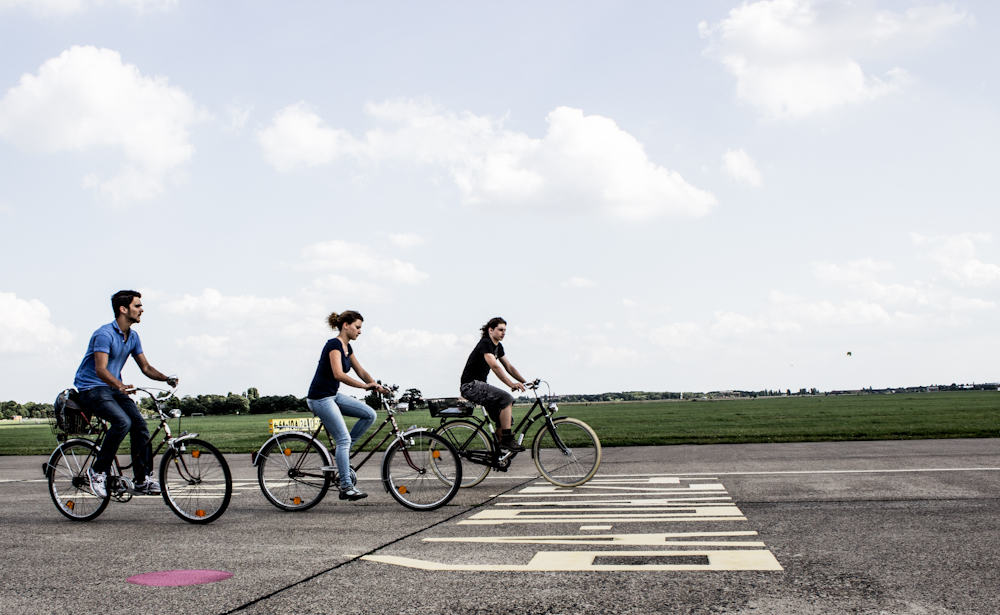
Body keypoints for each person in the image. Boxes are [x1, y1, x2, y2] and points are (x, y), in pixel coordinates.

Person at [75, 290, 178, 498]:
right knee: (122, 422)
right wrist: (120, 385)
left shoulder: (133, 336)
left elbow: (146, 367)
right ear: (123, 309)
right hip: (91, 388)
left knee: (139, 425)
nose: (142, 309)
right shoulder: (104, 334)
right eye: (137, 305)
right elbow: (100, 370)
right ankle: (97, 472)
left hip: (112, 388)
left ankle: (141, 480)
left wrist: (165, 378)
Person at [306, 310, 385, 501]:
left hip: (332, 395)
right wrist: (365, 387)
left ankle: (343, 453)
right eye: (357, 327)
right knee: (343, 440)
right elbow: (338, 374)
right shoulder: (334, 345)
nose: (360, 331)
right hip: (320, 398)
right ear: (346, 326)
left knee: (369, 415)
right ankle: (346, 487)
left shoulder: (348, 348)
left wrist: (376, 385)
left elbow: (361, 371)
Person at [460, 316, 530, 451]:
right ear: (490, 330)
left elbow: (509, 367)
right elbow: (495, 366)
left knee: (505, 421)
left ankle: (498, 452)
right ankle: (507, 441)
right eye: (500, 330)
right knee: (507, 398)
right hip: (471, 386)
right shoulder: (485, 343)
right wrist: (511, 384)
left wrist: (525, 382)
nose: (503, 333)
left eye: (505, 330)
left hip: (479, 386)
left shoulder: (498, 347)